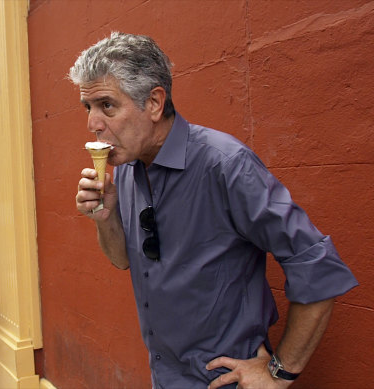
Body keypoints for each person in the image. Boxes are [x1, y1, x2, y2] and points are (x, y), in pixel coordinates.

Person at [71, 32, 358, 388]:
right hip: (164, 375)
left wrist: (280, 373)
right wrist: (104, 218)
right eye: (88, 108)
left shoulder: (226, 165)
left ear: (155, 103)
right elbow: (122, 259)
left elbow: (317, 265)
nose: (93, 124)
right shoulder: (127, 170)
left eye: (107, 106)